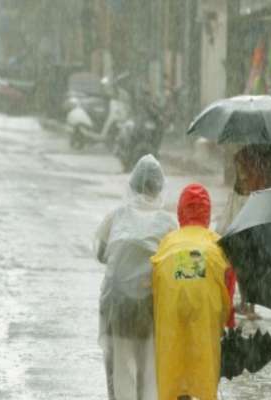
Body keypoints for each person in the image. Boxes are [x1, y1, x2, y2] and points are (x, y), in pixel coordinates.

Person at [95, 155, 178, 400]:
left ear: (131, 185)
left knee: (118, 363)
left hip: (117, 304)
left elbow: (101, 253)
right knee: (148, 364)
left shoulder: (117, 216)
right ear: (159, 187)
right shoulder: (168, 224)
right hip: (149, 306)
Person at [151, 184, 233, 400]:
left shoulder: (168, 242)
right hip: (205, 309)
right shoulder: (217, 243)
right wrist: (228, 320)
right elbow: (229, 283)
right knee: (204, 359)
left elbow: (155, 282)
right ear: (207, 212)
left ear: (180, 211)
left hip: (171, 309)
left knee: (174, 359)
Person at [216, 144, 271, 319]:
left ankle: (246, 302)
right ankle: (251, 304)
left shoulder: (242, 156)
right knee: (256, 261)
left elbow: (240, 187)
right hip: (263, 214)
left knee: (243, 261)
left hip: (245, 214)